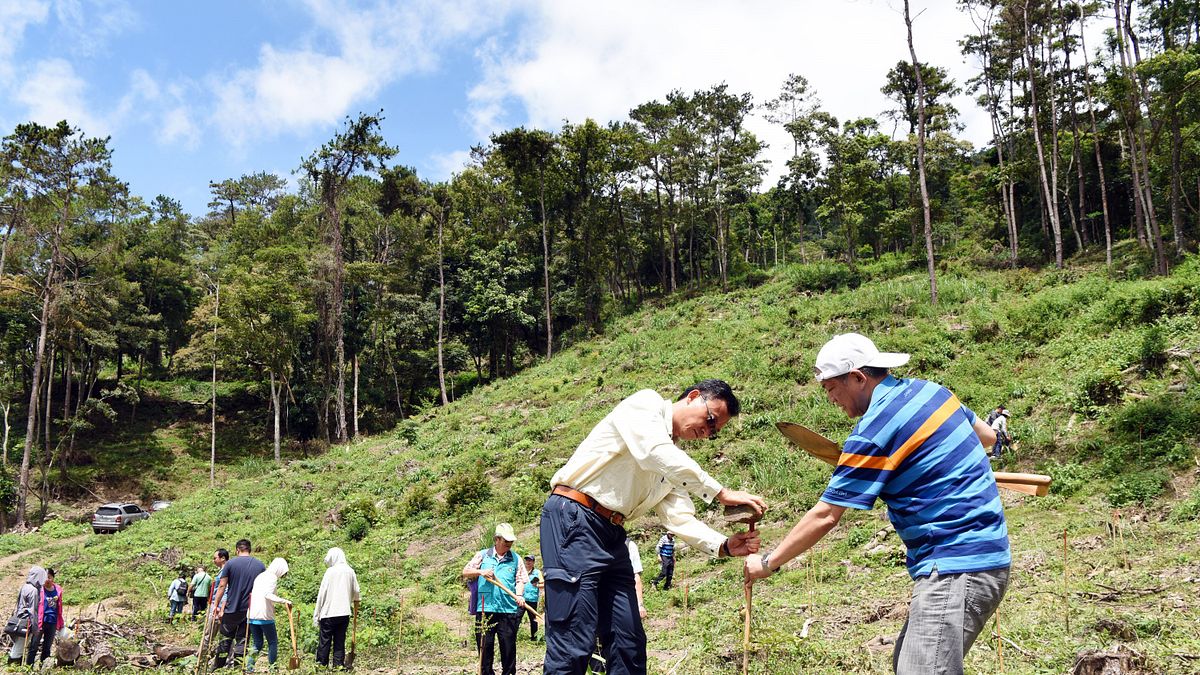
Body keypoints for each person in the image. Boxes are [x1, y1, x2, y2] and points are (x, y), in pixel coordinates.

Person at [745, 333, 1008, 675]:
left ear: (857, 378)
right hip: (983, 556)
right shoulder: (932, 391)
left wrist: (767, 563)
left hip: (956, 565)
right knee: (907, 665)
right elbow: (987, 438)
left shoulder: (872, 433)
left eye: (831, 389)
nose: (831, 400)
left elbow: (825, 515)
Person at [541, 378, 766, 674]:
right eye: (710, 419)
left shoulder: (672, 463)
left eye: (714, 432)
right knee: (573, 640)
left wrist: (724, 545)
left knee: (628, 643)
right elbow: (653, 452)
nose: (707, 431)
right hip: (575, 517)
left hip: (612, 533)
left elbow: (679, 517)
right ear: (693, 397)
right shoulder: (645, 404)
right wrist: (721, 492)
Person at [462, 523, 529, 675]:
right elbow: (466, 571)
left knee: (508, 648)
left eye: (511, 542)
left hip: (508, 610)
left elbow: (520, 580)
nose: (509, 545)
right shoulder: (483, 555)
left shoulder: (516, 558)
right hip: (485, 610)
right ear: (497, 539)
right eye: (506, 541)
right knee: (485, 649)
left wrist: (519, 595)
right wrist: (481, 572)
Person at [211, 539, 266, 669]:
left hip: (231, 609)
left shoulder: (230, 564)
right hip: (249, 610)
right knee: (242, 640)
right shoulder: (260, 565)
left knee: (225, 640)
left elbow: (222, 585)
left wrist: (216, 605)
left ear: (237, 550)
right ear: (250, 550)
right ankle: (237, 668)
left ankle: (217, 668)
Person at [313, 547, 360, 669]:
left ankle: (321, 666)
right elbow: (356, 591)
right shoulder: (350, 571)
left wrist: (317, 614)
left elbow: (322, 594)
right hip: (344, 613)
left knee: (325, 641)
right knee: (340, 641)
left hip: (329, 612)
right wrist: (355, 601)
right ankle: (338, 666)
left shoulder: (330, 572)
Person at [247, 558, 291, 670]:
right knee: (272, 642)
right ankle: (273, 668)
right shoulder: (271, 578)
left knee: (257, 644)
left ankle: (249, 668)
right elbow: (268, 594)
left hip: (252, 614)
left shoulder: (261, 576)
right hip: (264, 615)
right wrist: (284, 601)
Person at [7, 566, 44, 666]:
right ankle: (14, 666)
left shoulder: (24, 587)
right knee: (21, 646)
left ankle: (13, 665)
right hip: (26, 622)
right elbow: (33, 611)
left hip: (18, 620)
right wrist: (35, 628)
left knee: (17, 644)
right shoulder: (34, 591)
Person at [29, 568, 62, 665]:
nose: (47, 580)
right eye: (45, 577)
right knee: (34, 645)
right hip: (40, 621)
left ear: (53, 578)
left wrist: (61, 621)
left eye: (49, 577)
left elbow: (59, 607)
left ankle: (44, 666)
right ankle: (28, 666)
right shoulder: (39, 590)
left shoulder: (58, 590)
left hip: (52, 621)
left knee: (47, 647)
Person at [521, 555, 542, 641]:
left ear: (533, 562)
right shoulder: (522, 572)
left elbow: (544, 583)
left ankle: (534, 638)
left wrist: (537, 585)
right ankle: (512, 636)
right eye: (527, 560)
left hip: (532, 599)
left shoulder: (537, 572)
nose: (528, 562)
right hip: (522, 599)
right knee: (516, 618)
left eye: (530, 561)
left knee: (533, 619)